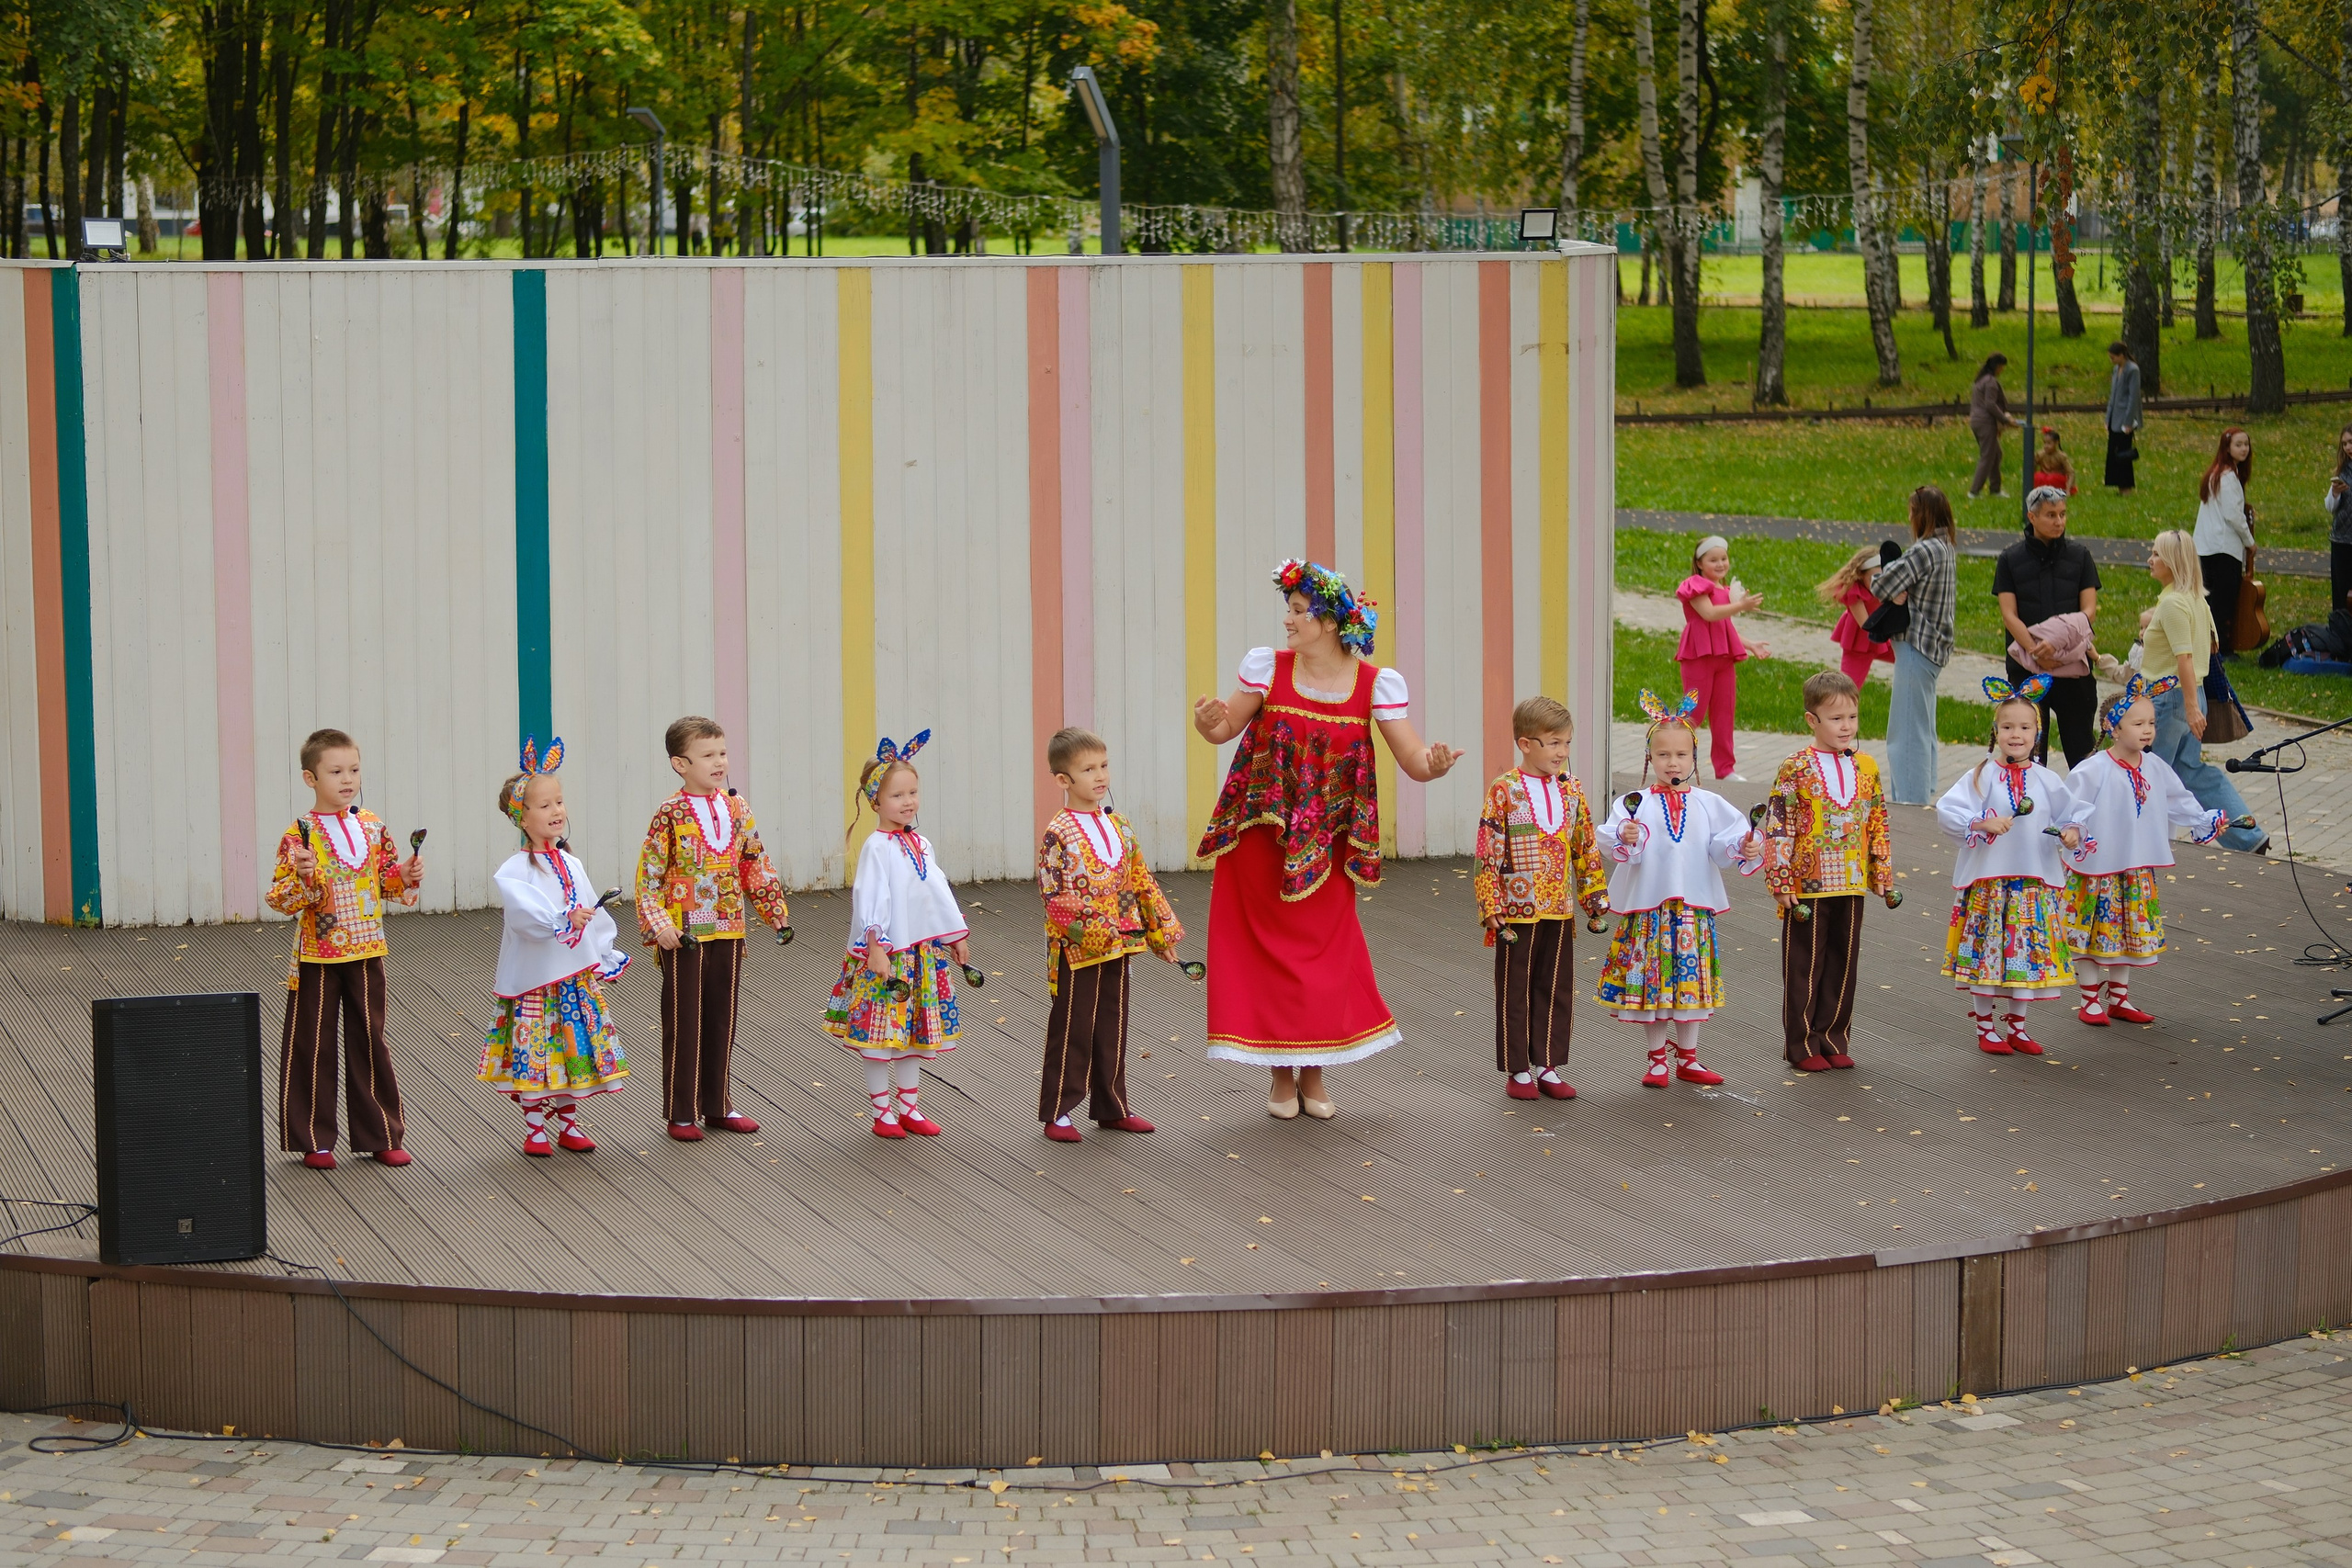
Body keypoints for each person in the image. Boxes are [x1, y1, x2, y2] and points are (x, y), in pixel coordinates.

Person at [1192, 559, 1461, 1121]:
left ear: (1331, 623)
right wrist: (1206, 721)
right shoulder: (1269, 670)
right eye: (1288, 610)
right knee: (1264, 952)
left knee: (1321, 953)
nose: (1287, 622)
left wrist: (1434, 766)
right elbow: (1223, 731)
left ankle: (1314, 1074)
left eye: (1297, 612)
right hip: (1261, 836)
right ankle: (1280, 1080)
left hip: (1328, 845)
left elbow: (1411, 760)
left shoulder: (1375, 685)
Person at [266, 727, 425, 1169]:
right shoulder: (298, 836)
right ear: (309, 778)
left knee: (370, 1039)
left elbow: (386, 881)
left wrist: (407, 874)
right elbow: (280, 899)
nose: (347, 779)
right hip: (317, 955)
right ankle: (313, 1138)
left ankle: (381, 1133)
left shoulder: (373, 826)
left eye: (353, 769)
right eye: (335, 771)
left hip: (368, 949)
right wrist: (301, 877)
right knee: (311, 1042)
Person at [1595, 690, 1765, 1089]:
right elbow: (1611, 839)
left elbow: (1726, 842)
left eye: (1681, 755)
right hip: (1651, 911)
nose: (1673, 762)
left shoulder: (1709, 803)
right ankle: (1656, 1060)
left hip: (1692, 911)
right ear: (1649, 759)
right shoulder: (1634, 802)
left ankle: (1688, 1058)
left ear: (1693, 758)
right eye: (1664, 755)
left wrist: (1746, 844)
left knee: (1690, 986)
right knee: (1654, 986)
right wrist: (1626, 833)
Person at [635, 716, 791, 1140]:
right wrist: (659, 924)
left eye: (722, 753)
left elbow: (752, 861)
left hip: (729, 925)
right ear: (679, 764)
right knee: (686, 1020)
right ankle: (680, 1111)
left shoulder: (738, 806)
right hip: (684, 932)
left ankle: (718, 1104)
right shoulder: (670, 812)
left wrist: (772, 907)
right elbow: (649, 876)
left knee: (723, 1017)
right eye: (708, 755)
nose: (719, 762)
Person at [480, 739, 630, 1156]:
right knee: (537, 1049)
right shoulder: (514, 870)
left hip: (572, 977)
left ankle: (568, 1123)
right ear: (521, 817)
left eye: (559, 802)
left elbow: (593, 912)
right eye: (545, 806)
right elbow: (525, 919)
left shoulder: (571, 863)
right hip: (535, 980)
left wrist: (602, 950)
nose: (557, 811)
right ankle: (534, 1130)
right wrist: (563, 920)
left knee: (567, 1048)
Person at [1035, 726, 1182, 1143]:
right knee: (1073, 1024)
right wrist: (1100, 930)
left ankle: (1112, 1105)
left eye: (1103, 766)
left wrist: (1157, 932)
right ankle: (1058, 1111)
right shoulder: (1058, 833)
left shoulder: (1119, 824)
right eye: (1087, 769)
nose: (1100, 776)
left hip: (1121, 943)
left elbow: (1137, 880)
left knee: (1112, 1022)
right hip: (1079, 949)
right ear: (1064, 780)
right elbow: (1055, 897)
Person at [2054, 674, 2228, 1028]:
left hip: (2135, 868)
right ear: (2113, 727)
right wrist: (2070, 831)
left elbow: (2179, 800)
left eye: (2151, 722)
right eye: (2138, 723)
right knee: (2087, 934)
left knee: (2124, 935)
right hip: (2097, 870)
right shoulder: (2092, 770)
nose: (2148, 730)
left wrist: (2204, 820)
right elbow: (2069, 810)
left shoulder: (2155, 767)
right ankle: (2089, 1000)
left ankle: (2118, 998)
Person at [824, 734, 973, 1138]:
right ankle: (882, 1112)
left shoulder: (920, 843)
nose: (907, 802)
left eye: (913, 792)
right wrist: (875, 946)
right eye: (896, 795)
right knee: (881, 1034)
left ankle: (909, 1106)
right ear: (875, 801)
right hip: (890, 956)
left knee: (913, 1035)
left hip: (923, 952)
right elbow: (870, 896)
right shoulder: (878, 847)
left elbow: (936, 890)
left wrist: (954, 933)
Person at [1472, 695, 1610, 1102]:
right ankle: (1517, 1069)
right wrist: (1490, 903)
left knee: (1556, 986)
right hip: (1518, 907)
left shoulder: (1571, 790)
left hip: (1559, 907)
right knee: (1516, 987)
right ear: (1526, 744)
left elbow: (1584, 844)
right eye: (1553, 743)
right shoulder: (1506, 790)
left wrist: (1593, 895)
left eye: (1566, 743)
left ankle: (1548, 1064)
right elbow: (1488, 849)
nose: (1562, 752)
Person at [1761, 671, 1897, 1072]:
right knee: (1805, 963)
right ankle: (1801, 1043)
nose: (1847, 727)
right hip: (1808, 883)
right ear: (1811, 720)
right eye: (1836, 718)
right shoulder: (1796, 767)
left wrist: (1882, 871)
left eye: (1852, 717)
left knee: (1843, 959)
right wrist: (1781, 880)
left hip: (1851, 879)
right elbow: (1779, 823)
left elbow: (1877, 820)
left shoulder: (1866, 766)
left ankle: (1834, 1036)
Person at [1938, 677, 2080, 1057]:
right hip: (1990, 885)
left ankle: (2017, 1027)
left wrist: (2069, 833)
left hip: (2032, 884)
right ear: (1995, 731)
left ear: (2038, 732)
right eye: (2007, 727)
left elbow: (2073, 817)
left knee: (2025, 959)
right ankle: (1986, 1027)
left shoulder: (2048, 780)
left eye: (2024, 727)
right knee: (1989, 955)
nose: (2015, 734)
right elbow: (1948, 811)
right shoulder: (1981, 776)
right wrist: (1981, 823)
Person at [2141, 531, 2267, 854]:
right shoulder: (2197, 600)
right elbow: (2211, 648)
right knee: (2191, 772)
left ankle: (2138, 841)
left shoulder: (2172, 604)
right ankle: (2247, 837)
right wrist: (2193, 704)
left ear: (2172, 562)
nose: (2150, 560)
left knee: (2147, 772)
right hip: (2189, 697)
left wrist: (2189, 706)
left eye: (2156, 554)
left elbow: (2184, 657)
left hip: (2171, 700)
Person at [1993, 485, 2101, 766]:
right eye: (2051, 515)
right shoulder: (2010, 559)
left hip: (2074, 669)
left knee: (2083, 755)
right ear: (2032, 516)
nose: (2059, 521)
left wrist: (2059, 647)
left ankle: (2087, 808)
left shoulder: (2080, 556)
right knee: (2026, 752)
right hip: (2027, 670)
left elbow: (2089, 611)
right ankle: (2028, 808)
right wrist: (2035, 651)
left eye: (2063, 514)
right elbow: (2009, 614)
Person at [1871, 487, 1961, 806]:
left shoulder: (1923, 550)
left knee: (1906, 733)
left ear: (1920, 514)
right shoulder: (1946, 546)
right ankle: (1921, 791)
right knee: (1922, 725)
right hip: (1935, 647)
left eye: (1911, 511)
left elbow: (1881, 583)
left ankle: (1910, 802)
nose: (1909, 517)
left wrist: (1892, 589)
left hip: (1916, 645)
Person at [1676, 536, 1767, 781]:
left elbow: (1725, 626)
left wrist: (1750, 645)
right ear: (1699, 563)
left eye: (1723, 558)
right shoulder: (1694, 585)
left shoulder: (1723, 591)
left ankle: (1725, 769)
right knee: (1693, 714)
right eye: (1713, 559)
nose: (1720, 564)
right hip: (1699, 655)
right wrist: (1740, 606)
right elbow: (1710, 614)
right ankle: (1678, 763)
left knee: (1724, 714)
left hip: (1724, 657)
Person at [2194, 426, 2256, 659]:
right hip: (2222, 548)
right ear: (2227, 448)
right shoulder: (2228, 477)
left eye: (2246, 445)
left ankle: (2208, 646)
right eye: (2238, 445)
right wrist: (2250, 542)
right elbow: (2233, 515)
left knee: (2209, 598)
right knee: (2222, 600)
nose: (2243, 449)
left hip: (2206, 546)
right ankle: (2220, 649)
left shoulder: (2216, 474)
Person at [1816, 547, 1894, 689]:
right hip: (1859, 643)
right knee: (1848, 689)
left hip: (1883, 638)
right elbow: (1867, 624)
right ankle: (1837, 710)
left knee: (1913, 657)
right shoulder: (1855, 593)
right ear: (1861, 575)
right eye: (1875, 578)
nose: (1879, 583)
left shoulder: (1886, 587)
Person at [1967, 353, 2020, 499]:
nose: (2002, 370)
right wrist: (2005, 420)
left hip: (1977, 421)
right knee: (1988, 456)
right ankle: (1974, 491)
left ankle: (1995, 489)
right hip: (1985, 422)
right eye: (2002, 367)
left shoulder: (1981, 380)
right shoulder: (1990, 382)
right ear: (1998, 366)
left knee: (1996, 454)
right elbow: (1990, 405)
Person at [2104, 343, 2142, 495]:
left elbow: (2133, 398)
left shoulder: (2133, 370)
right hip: (2114, 418)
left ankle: (2126, 487)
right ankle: (2118, 485)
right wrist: (2108, 418)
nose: (2111, 360)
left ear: (2121, 355)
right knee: (2113, 453)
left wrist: (2128, 422)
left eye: (2113, 357)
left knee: (2124, 453)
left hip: (2125, 419)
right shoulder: (2115, 370)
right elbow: (2113, 396)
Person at [2324, 423, 2352, 615]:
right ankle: (2342, 638)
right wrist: (2335, 493)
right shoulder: (2343, 470)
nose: (2348, 448)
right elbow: (2329, 507)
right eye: (2344, 444)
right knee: (2342, 597)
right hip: (2341, 541)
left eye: (2351, 442)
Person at [2032, 427, 2075, 494]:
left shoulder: (2061, 456)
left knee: (2051, 479)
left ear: (2056, 443)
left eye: (2049, 443)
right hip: (2043, 480)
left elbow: (2071, 473)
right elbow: (2031, 469)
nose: (2046, 446)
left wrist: (2068, 489)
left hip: (2056, 481)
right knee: (2038, 477)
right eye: (2045, 443)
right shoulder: (2040, 454)